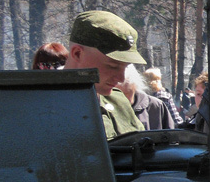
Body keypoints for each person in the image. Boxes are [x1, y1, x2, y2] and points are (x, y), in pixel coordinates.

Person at [63, 10, 147, 140]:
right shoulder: (41, 106)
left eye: (125, 66)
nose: (121, 79)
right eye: (112, 66)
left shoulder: (119, 101)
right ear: (77, 54)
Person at [120, 64, 174, 131]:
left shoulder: (156, 106)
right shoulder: (106, 108)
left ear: (135, 86)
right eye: (117, 93)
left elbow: (171, 135)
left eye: (126, 93)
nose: (122, 98)